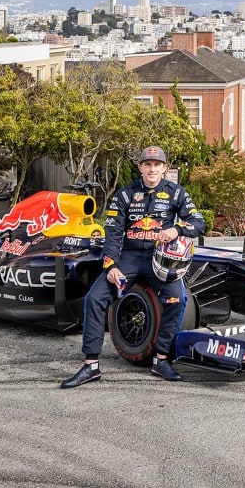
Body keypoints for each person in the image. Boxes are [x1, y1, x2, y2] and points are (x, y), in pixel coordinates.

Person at [61, 146, 206, 388]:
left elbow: (198, 221)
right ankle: (91, 366)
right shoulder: (125, 194)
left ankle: (161, 360)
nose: (152, 169)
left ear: (164, 168)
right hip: (129, 257)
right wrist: (111, 266)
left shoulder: (176, 192)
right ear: (140, 167)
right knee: (95, 299)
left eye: (157, 165)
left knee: (176, 299)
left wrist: (177, 229)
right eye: (147, 164)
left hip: (159, 260)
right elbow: (112, 232)